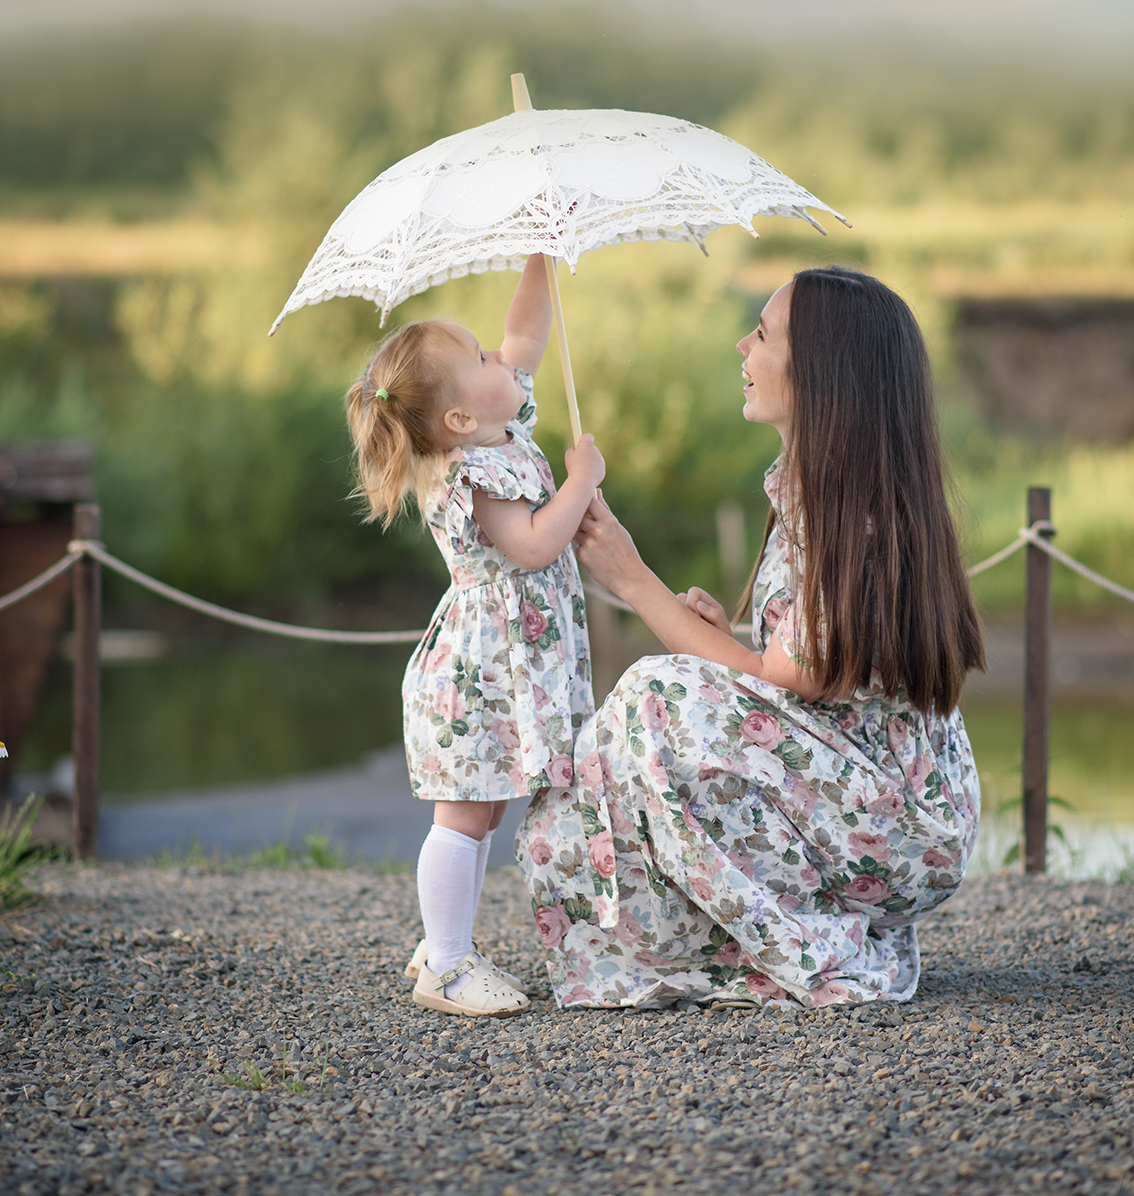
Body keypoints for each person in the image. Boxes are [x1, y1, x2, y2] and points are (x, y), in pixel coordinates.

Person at [517, 265, 985, 1008]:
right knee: (619, 743)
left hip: (898, 823)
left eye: (763, 333)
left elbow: (786, 680)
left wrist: (633, 577)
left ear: (822, 372)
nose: (743, 344)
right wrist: (726, 635)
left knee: (652, 696)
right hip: (876, 798)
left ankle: (807, 947)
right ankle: (786, 932)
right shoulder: (831, 492)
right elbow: (816, 671)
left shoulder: (850, 520)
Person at [346, 254, 604, 1017]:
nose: (504, 357)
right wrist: (581, 482)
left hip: (507, 663)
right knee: (463, 811)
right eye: (484, 358)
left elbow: (525, 334)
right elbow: (530, 544)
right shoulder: (469, 471)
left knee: (487, 806)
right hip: (478, 670)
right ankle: (448, 965)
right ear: (458, 419)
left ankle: (442, 940)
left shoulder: (501, 424)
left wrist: (540, 255)